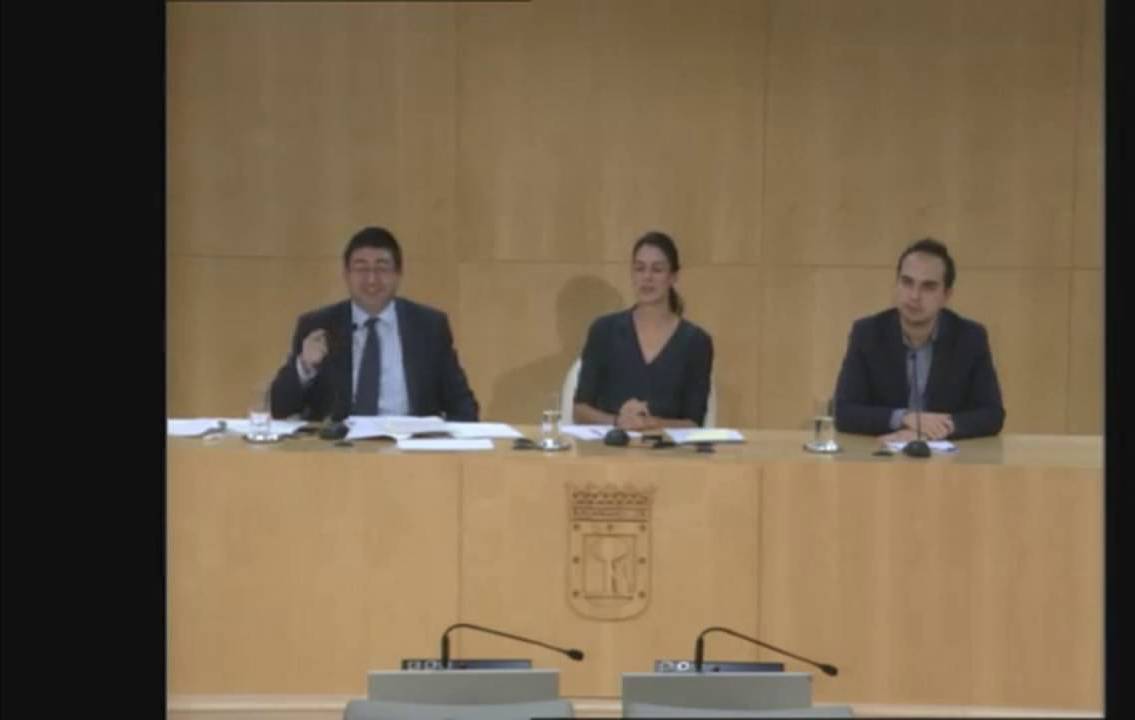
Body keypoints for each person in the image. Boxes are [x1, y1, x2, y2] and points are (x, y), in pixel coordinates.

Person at [269, 226, 479, 421]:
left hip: (409, 443)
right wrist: (305, 366)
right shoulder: (318, 325)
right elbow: (280, 408)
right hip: (339, 444)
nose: (371, 280)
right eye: (361, 269)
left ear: (398, 274)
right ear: (346, 275)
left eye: (382, 268)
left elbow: (463, 405)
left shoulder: (428, 326)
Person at [833, 237, 1005, 441]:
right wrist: (905, 419)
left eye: (928, 287)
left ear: (946, 295)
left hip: (948, 458)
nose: (914, 296)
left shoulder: (970, 338)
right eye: (907, 282)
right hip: (882, 455)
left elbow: (992, 414)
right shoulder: (868, 333)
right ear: (896, 285)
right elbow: (844, 412)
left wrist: (934, 429)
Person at [573, 232, 714, 430]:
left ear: (673, 276)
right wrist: (618, 422)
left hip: (668, 448)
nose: (647, 277)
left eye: (657, 269)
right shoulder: (603, 330)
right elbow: (580, 410)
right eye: (640, 269)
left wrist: (650, 424)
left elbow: (693, 422)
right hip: (608, 445)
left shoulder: (696, 342)